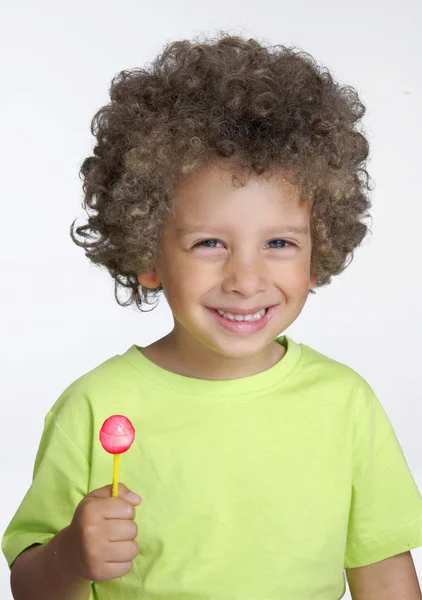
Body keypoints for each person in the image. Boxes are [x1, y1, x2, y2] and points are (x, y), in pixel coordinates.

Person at [2, 31, 422, 600]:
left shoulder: (346, 403)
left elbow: (388, 583)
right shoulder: (93, 407)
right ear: (147, 254)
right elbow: (29, 586)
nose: (246, 280)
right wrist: (70, 556)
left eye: (278, 243)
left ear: (319, 249)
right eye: (208, 244)